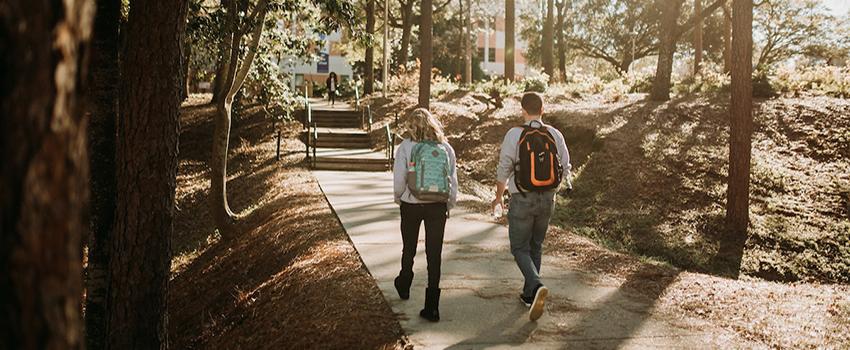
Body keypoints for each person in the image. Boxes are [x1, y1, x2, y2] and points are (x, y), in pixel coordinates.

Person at [491, 92, 572, 321]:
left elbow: (504, 168)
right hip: (548, 199)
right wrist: (553, 190)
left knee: (519, 248)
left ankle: (535, 286)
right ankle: (529, 296)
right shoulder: (554, 134)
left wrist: (498, 197)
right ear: (543, 110)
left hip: (522, 198)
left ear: (523, 110)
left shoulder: (515, 134)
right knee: (536, 245)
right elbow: (565, 167)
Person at [392, 108, 458, 322]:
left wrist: (399, 196)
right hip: (437, 205)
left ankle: (404, 283)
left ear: (411, 125)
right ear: (433, 124)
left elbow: (399, 176)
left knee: (409, 246)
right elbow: (452, 179)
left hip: (411, 203)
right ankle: (432, 307)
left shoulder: (406, 146)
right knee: (434, 253)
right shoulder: (445, 147)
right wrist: (449, 203)